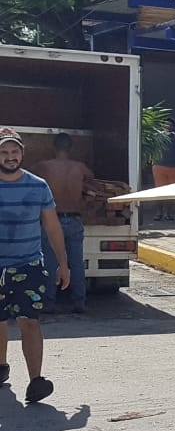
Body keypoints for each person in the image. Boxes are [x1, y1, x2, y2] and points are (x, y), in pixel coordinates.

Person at [0, 128, 70, 404]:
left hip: (27, 265)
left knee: (29, 321)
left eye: (14, 151)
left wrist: (63, 264)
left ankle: (36, 381)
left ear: (22, 154)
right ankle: (1, 366)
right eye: (4, 152)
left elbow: (52, 227)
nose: (9, 157)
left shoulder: (38, 185)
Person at [29, 132, 91, 314]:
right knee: (76, 263)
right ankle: (79, 301)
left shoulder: (43, 167)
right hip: (74, 219)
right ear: (70, 149)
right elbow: (92, 179)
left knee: (49, 262)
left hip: (51, 220)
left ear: (54, 148)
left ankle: (49, 302)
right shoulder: (80, 167)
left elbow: (24, 175)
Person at [152, 118, 175, 221]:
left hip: (173, 167)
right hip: (159, 166)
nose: (167, 126)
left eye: (170, 125)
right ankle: (158, 212)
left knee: (171, 192)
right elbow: (152, 150)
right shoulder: (156, 136)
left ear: (173, 127)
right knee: (159, 191)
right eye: (165, 124)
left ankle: (167, 213)